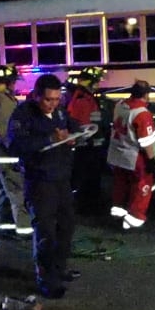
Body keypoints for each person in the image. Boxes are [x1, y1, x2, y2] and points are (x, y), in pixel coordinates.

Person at [7, 74, 83, 299]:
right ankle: (46, 279)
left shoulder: (59, 111)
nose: (53, 103)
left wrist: (74, 134)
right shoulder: (23, 115)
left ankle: (59, 269)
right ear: (36, 95)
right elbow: (16, 145)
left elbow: (71, 123)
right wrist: (49, 139)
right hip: (40, 181)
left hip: (61, 178)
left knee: (66, 226)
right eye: (48, 99)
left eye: (57, 99)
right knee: (45, 232)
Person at [0, 65, 31, 238]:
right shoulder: (2, 100)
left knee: (4, 191)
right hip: (7, 157)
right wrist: (19, 153)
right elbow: (4, 132)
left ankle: (5, 227)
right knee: (18, 192)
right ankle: (25, 231)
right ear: (9, 83)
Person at [107, 80, 155, 230]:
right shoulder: (142, 113)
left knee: (121, 185)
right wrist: (151, 160)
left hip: (117, 154)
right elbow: (146, 141)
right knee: (142, 185)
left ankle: (118, 213)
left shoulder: (120, 105)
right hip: (134, 156)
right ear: (146, 94)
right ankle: (134, 219)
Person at [66, 66, 108, 215]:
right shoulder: (82, 99)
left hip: (91, 147)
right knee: (86, 179)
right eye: (96, 82)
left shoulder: (87, 97)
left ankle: (89, 205)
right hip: (86, 148)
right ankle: (86, 208)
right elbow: (83, 127)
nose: (98, 85)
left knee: (91, 179)